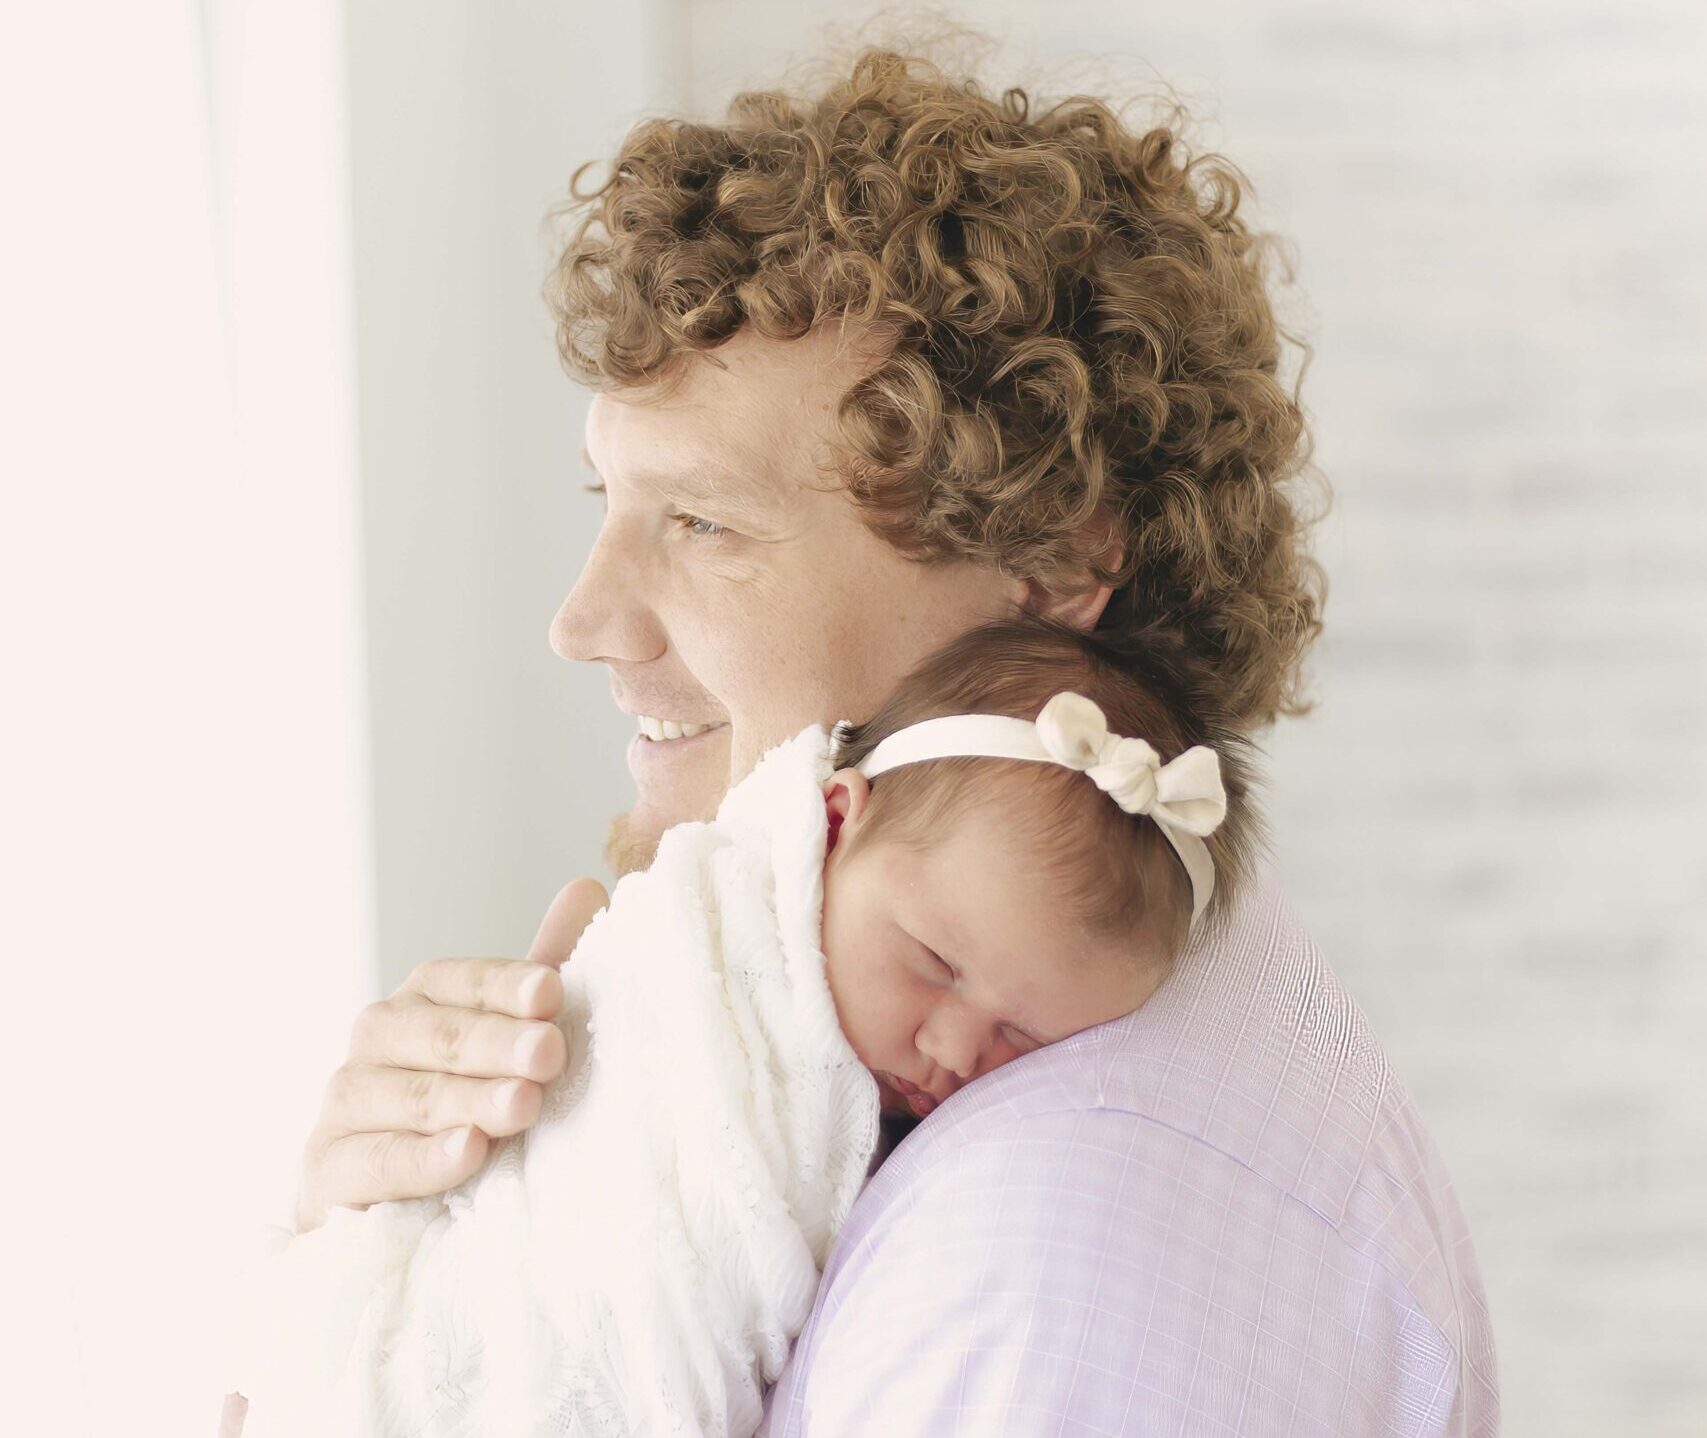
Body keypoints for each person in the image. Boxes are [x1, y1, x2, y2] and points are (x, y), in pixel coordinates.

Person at [231, 44, 1497, 1438]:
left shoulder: (1051, 1257)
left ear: (1051, 560)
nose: (582, 622)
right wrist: (406, 1258)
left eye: (703, 525)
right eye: (608, 500)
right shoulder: (932, 1055)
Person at [228, 618, 1251, 1437]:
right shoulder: (702, 942)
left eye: (1020, 1039)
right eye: (932, 963)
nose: (951, 1049)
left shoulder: (1054, 1193)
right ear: (836, 819)